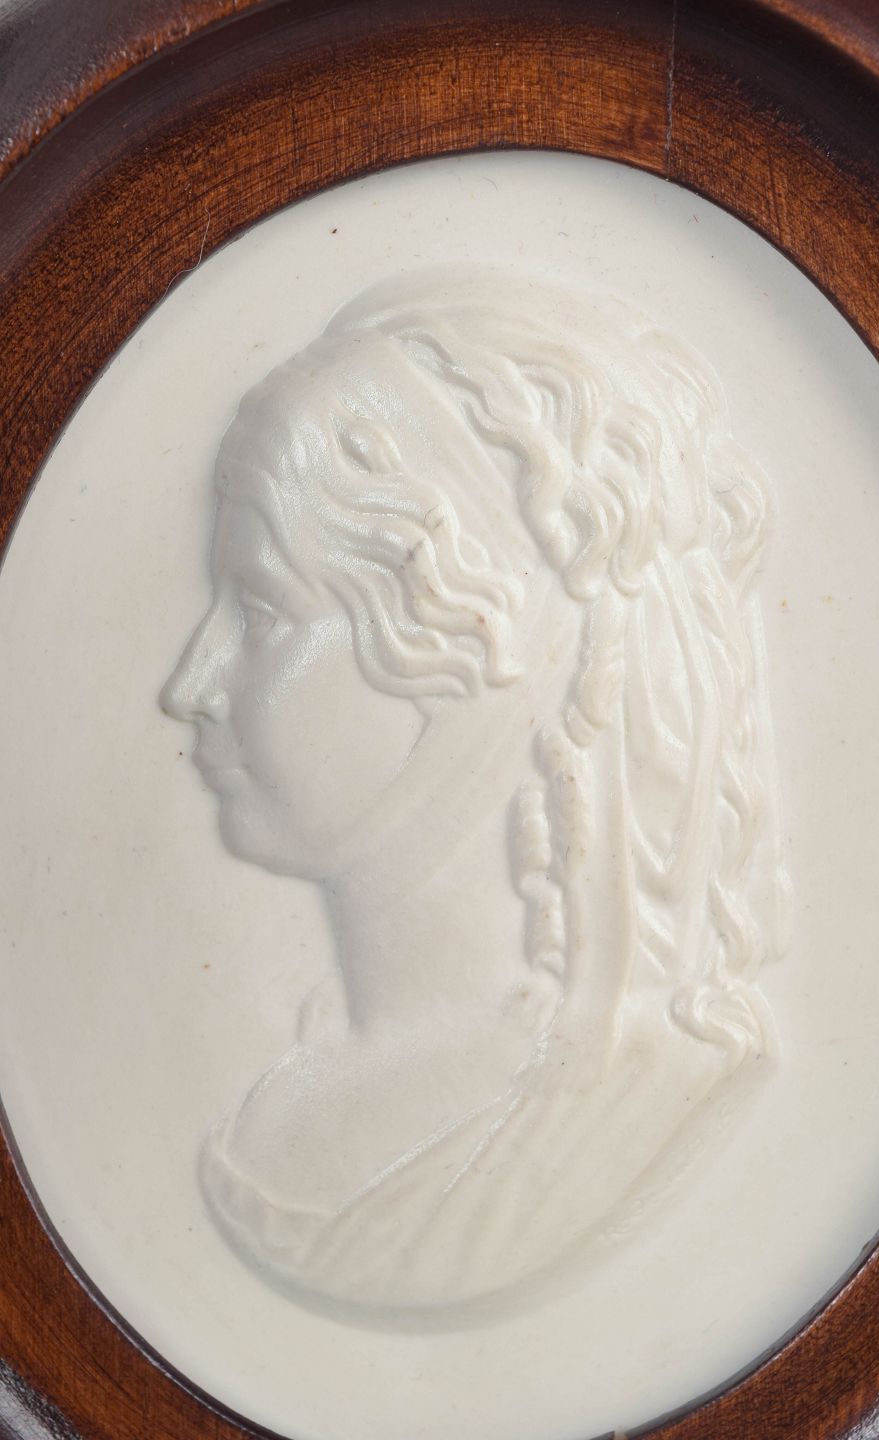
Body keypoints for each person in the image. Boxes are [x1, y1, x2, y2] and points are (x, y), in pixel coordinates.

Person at [161, 268, 789, 1320]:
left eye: (263, 609)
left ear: (474, 643)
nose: (192, 684)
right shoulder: (293, 1087)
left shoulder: (633, 1112)